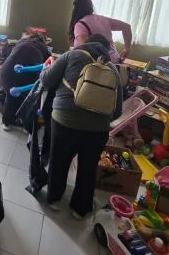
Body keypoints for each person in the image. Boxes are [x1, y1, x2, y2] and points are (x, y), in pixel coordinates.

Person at [40, 34, 123, 219]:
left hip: (64, 121)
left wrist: (45, 69)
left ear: (87, 43)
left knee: (59, 161)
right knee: (88, 168)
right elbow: (117, 111)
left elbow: (46, 81)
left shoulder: (71, 56)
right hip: (97, 130)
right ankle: (79, 208)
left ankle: (53, 198)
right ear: (107, 50)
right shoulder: (113, 70)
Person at [0, 34, 50, 130]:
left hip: (7, 71)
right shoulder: (43, 47)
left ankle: (6, 123)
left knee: (10, 96)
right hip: (25, 73)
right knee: (27, 99)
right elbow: (47, 64)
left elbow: (5, 52)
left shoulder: (21, 41)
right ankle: (25, 124)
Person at [68, 0, 132, 63]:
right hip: (115, 61)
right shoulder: (103, 19)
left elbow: (86, 50)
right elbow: (126, 27)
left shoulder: (80, 25)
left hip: (98, 64)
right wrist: (127, 48)